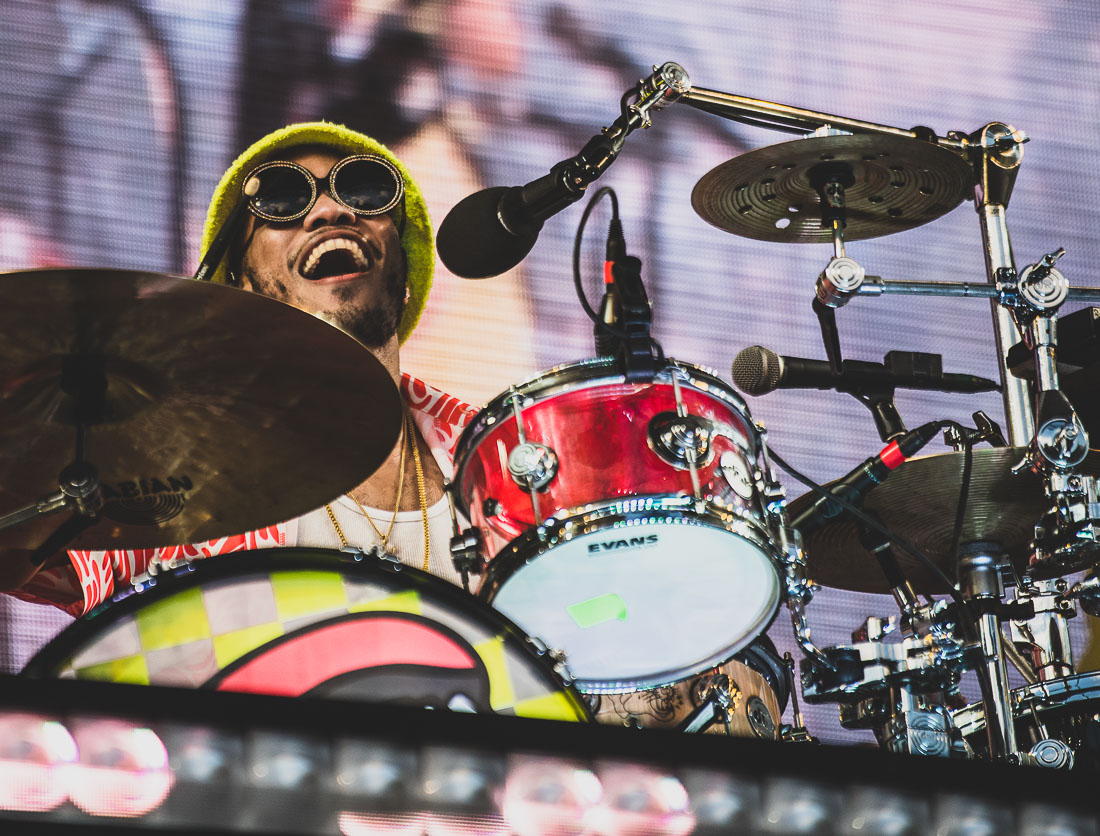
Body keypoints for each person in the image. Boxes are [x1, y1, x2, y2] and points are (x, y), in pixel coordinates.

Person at [1, 122, 479, 616]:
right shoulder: (161, 454)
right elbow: (18, 557)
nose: (331, 210)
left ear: (406, 272)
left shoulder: (500, 455)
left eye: (365, 190)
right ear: (242, 288)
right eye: (282, 200)